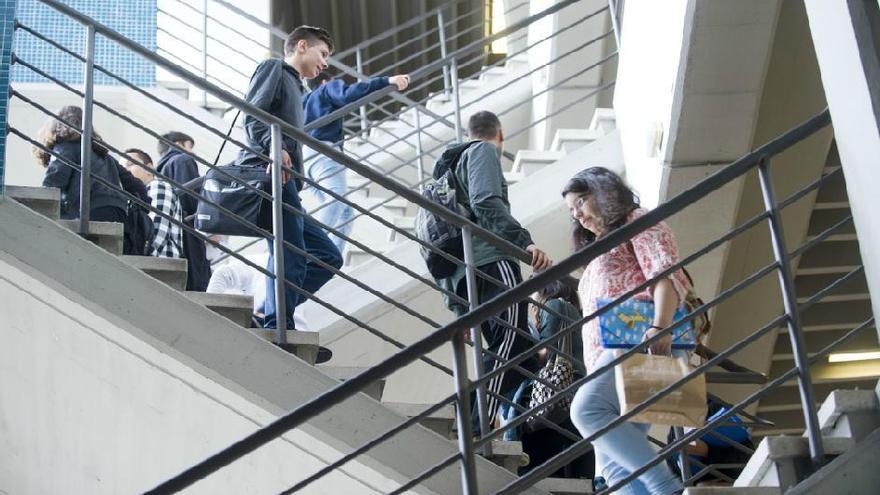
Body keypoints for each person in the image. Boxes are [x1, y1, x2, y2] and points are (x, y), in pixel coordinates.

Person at [563, 167, 689, 495]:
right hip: (615, 351)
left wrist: (660, 326)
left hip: (644, 339)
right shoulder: (599, 252)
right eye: (572, 211)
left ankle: (667, 486)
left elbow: (665, 272)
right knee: (617, 468)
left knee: (587, 411)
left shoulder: (637, 219)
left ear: (602, 192)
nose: (577, 215)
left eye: (581, 202)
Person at [438, 110, 552, 435]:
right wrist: (523, 242)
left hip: (467, 274)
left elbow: (438, 243)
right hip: (493, 261)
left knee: (528, 353)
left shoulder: (449, 169)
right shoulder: (483, 151)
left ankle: (512, 426)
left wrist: (459, 307)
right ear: (499, 134)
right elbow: (486, 200)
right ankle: (475, 426)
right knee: (512, 339)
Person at [236, 25, 343, 330]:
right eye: (322, 54)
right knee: (290, 256)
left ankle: (271, 312)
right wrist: (274, 146)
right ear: (300, 46)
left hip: (288, 182)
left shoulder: (297, 87)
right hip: (271, 174)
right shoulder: (275, 69)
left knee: (327, 256)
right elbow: (252, 113)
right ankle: (278, 324)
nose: (324, 64)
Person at [302, 71, 411, 252]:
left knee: (345, 212)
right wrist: (387, 81)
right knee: (335, 199)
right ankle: (308, 248)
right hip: (323, 150)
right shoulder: (327, 87)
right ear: (324, 81)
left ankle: (329, 260)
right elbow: (349, 94)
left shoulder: (304, 100)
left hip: (305, 157)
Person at [34, 105, 148, 225]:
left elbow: (54, 181)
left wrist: (41, 206)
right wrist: (144, 207)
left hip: (89, 211)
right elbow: (137, 186)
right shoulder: (104, 155)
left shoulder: (65, 147)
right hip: (118, 213)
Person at [157, 131, 211, 290]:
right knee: (196, 279)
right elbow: (190, 196)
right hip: (187, 226)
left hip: (173, 228)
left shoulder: (161, 167)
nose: (192, 151)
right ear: (179, 144)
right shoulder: (183, 159)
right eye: (190, 146)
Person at [123, 148, 183, 258]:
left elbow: (158, 233)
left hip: (160, 263)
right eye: (122, 167)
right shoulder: (135, 196)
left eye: (130, 164)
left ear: (149, 168)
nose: (125, 170)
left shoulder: (158, 186)